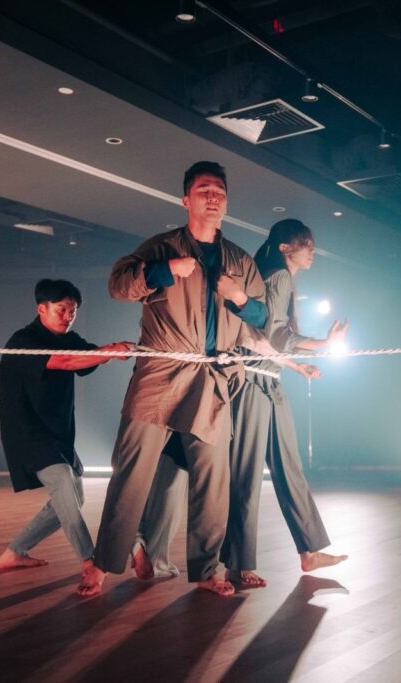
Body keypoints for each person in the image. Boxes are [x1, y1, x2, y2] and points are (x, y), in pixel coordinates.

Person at [77, 161, 268, 597]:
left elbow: (263, 318)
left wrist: (239, 297)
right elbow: (118, 285)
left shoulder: (241, 261)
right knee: (131, 472)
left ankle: (207, 571)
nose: (213, 196)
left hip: (213, 377)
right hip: (160, 374)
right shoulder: (160, 247)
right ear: (186, 200)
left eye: (219, 191)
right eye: (204, 190)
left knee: (212, 480)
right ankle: (103, 564)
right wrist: (164, 270)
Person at [134, 219, 348, 588]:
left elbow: (264, 338)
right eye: (306, 243)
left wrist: (297, 365)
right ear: (285, 247)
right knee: (243, 475)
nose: (312, 251)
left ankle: (308, 550)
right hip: (251, 384)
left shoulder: (276, 277)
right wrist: (322, 344)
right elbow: (273, 334)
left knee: (288, 468)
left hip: (269, 382)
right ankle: (237, 563)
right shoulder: (278, 277)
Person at [0, 279, 131, 572]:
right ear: (41, 309)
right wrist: (108, 351)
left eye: (73, 311)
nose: (68, 316)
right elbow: (65, 362)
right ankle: (90, 561)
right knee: (65, 488)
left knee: (73, 498)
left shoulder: (69, 338)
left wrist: (117, 351)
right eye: (62, 309)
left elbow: (90, 356)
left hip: (58, 433)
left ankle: (15, 552)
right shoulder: (23, 341)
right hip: (27, 432)